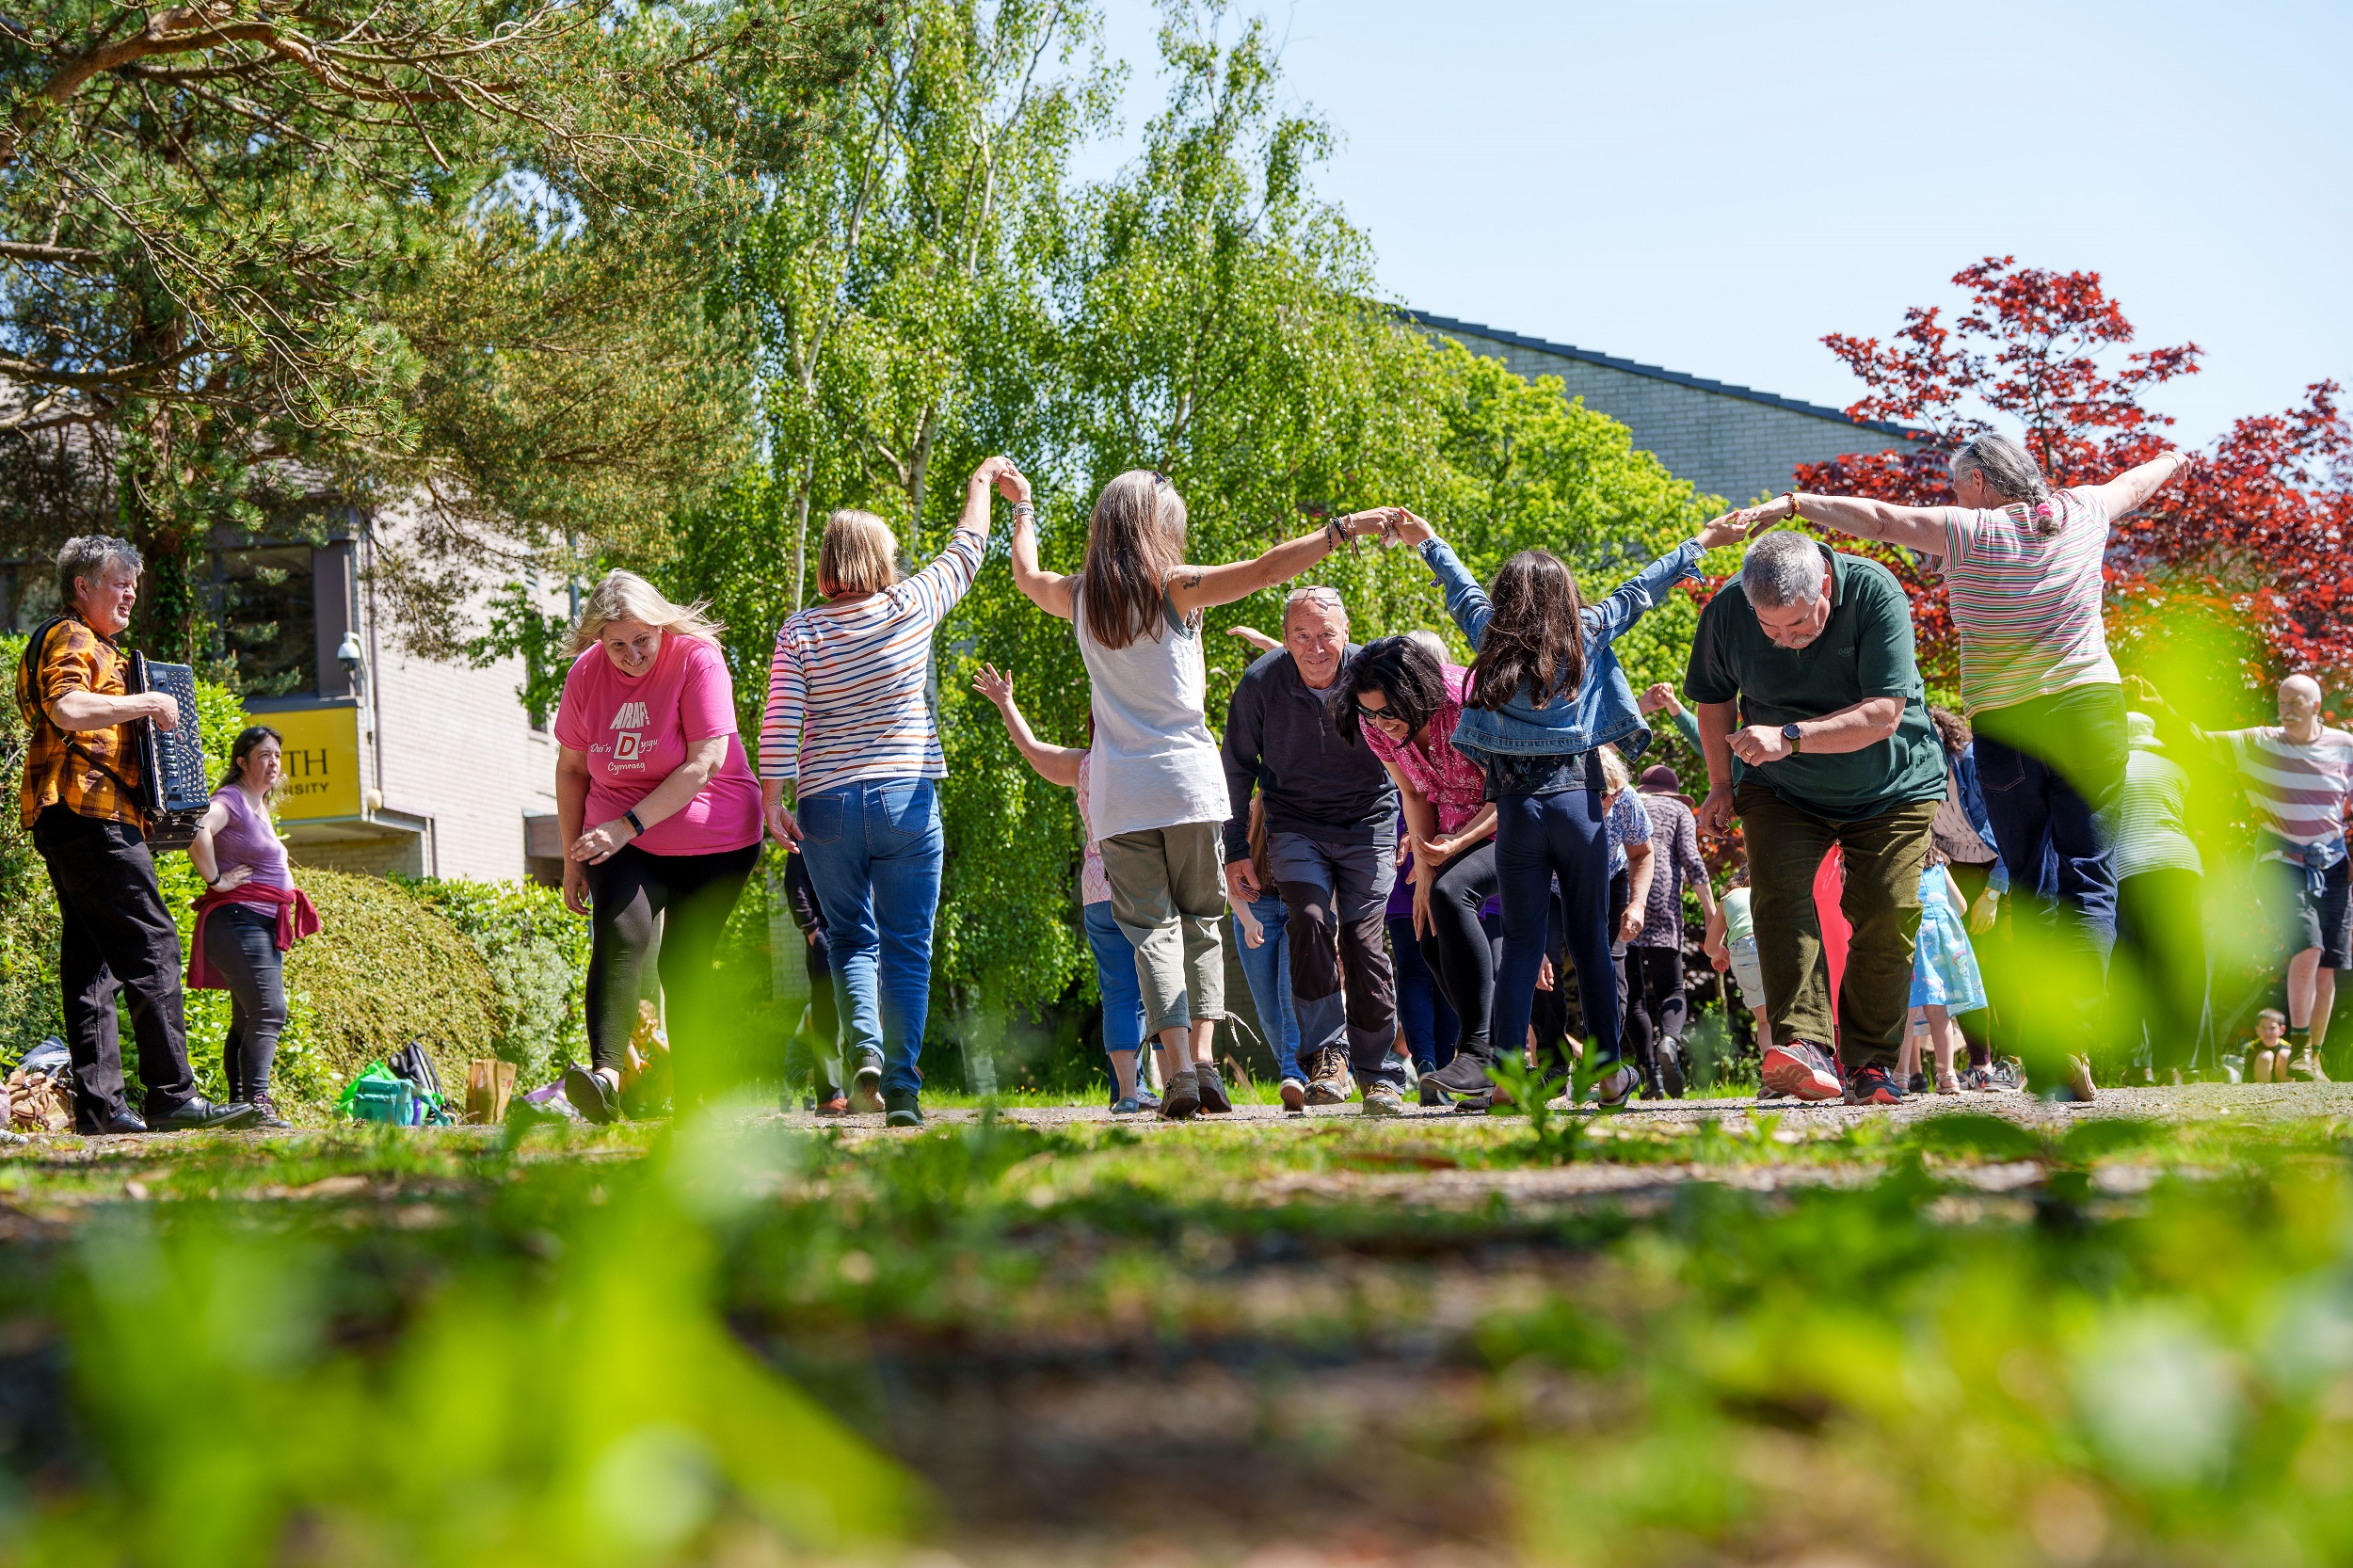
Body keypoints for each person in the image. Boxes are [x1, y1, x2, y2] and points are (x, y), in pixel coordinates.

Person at [1736, 439, 2193, 1096]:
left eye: (1957, 485)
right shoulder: (2086, 509)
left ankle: (2045, 1046)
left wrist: (1796, 504)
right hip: (2091, 709)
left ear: (1977, 481)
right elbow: (2134, 483)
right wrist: (2173, 462)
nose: (1952, 496)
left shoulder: (1967, 529)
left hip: (2008, 724)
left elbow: (1882, 519)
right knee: (2091, 872)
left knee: (2032, 877)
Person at [1008, 466, 1390, 1119]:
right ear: (1155, 529)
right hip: (1187, 788)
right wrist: (1340, 530)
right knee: (1202, 927)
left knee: (1151, 932)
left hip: (1120, 797)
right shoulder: (1176, 589)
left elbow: (1025, 575)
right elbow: (1269, 570)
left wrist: (1025, 508)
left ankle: (1180, 1070)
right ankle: (1206, 1065)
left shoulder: (1077, 596)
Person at [761, 458, 1020, 1128]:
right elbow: (968, 548)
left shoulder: (800, 632)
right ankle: (902, 1088)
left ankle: (867, 1056)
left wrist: (770, 798)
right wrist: (981, 483)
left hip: (826, 808)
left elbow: (781, 719)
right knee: (908, 943)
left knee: (850, 940)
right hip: (905, 798)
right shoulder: (912, 604)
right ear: (882, 558)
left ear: (826, 562)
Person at [1684, 529, 1951, 1107]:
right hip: (1783, 788)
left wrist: (1789, 736)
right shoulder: (1728, 611)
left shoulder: (1876, 593)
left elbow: (1883, 713)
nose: (1785, 640)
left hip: (1891, 782)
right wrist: (1722, 785)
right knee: (1780, 899)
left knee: (1888, 910)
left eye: (1799, 625)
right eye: (1770, 629)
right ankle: (1805, 1047)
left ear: (1825, 586)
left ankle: (1870, 1064)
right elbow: (1714, 702)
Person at [14, 536, 255, 1133]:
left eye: (134, 584)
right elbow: (67, 708)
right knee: (152, 940)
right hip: (90, 814)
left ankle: (101, 1109)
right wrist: (147, 702)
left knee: (91, 962)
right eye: (118, 582)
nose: (130, 593)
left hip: (65, 816)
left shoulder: (101, 648)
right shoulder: (73, 636)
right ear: (82, 588)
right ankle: (172, 1095)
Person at [555, 570, 763, 1124]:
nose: (631, 655)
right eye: (616, 644)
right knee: (623, 933)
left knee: (685, 960)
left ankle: (696, 1097)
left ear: (661, 624)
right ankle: (604, 1079)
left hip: (711, 834)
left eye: (642, 639)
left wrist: (627, 825)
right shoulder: (585, 676)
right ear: (597, 641)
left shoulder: (698, 658)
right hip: (618, 830)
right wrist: (570, 855)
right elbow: (573, 768)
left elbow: (706, 760)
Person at [1221, 585, 1404, 1115]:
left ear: (1346, 633)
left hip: (1368, 821)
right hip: (1295, 823)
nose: (1315, 647)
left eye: (1326, 634)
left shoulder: (1373, 677)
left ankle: (1381, 1074)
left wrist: (1421, 821)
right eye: (1302, 635)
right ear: (1284, 639)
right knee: (1307, 919)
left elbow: (1411, 746)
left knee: (1366, 945)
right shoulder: (1261, 683)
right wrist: (1235, 850)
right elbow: (1236, 769)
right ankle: (1327, 1058)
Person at [2137, 672, 2350, 1081]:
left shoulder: (2344, 746)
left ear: (2316, 708)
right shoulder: (2259, 743)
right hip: (2282, 859)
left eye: (2295, 704)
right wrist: (2161, 710)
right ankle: (2301, 1046)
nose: (2285, 710)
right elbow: (2201, 739)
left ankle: (2312, 1058)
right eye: (2282, 702)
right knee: (2309, 949)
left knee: (2330, 966)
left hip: (2334, 864)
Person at [970, 662, 1160, 1114]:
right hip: (1144, 888)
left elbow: (1033, 751)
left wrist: (1006, 703)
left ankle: (1128, 1095)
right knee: (1157, 985)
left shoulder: (1084, 764)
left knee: (1118, 992)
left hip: (1098, 889)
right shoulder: (1152, 761)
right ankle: (1170, 1084)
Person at [1336, 632, 1499, 1104]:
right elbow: (1413, 793)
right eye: (1369, 713)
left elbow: (1509, 788)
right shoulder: (1373, 721)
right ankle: (1486, 1066)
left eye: (1388, 711)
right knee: (1427, 935)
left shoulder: (1470, 699)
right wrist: (1426, 868)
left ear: (1417, 693)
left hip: (1514, 819)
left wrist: (1458, 843)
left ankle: (1479, 1053)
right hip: (1448, 835)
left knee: (1451, 898)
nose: (1379, 724)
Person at [187, 725, 320, 1128]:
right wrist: (215, 880)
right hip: (238, 920)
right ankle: (257, 1106)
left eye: (277, 755)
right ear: (242, 762)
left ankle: (238, 1110)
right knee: (269, 1009)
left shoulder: (257, 806)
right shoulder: (231, 799)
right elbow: (197, 828)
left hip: (257, 924)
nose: (274, 762)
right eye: (264, 755)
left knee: (248, 1017)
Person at [2111, 708, 2207, 1083]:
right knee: (2176, 966)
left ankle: (2138, 1065)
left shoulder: (2111, 769)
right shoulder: (2176, 771)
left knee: (2132, 966)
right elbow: (2192, 828)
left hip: (2131, 867)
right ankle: (2174, 1064)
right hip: (2180, 867)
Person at [1627, 761, 1715, 1099]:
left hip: (1627, 897)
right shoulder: (1679, 809)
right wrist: (1710, 914)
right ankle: (1669, 1040)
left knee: (1633, 998)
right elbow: (1692, 861)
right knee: (1672, 990)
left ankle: (1652, 1079)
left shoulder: (1628, 802)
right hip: (1663, 900)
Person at [1231, 799, 1305, 1102]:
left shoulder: (1307, 806)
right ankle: (1293, 1072)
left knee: (1291, 1000)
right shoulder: (1246, 814)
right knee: (1268, 1013)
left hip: (1296, 905)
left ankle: (1293, 1075)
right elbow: (1229, 877)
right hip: (1254, 907)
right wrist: (1247, 920)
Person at [1905, 855, 1988, 1096]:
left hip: (1914, 936)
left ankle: (1902, 1076)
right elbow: (1961, 906)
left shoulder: (1902, 862)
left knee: (1907, 1009)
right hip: (1944, 942)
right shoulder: (1939, 865)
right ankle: (1947, 1076)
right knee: (1939, 1010)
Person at [781, 849, 845, 1114]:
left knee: (865, 1011)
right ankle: (830, 1095)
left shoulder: (864, 814)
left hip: (863, 932)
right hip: (825, 935)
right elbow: (794, 882)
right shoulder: (806, 825)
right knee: (828, 1016)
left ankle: (865, 1090)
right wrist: (811, 928)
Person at [1702, 867, 1769, 1059]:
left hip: (1742, 951)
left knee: (1764, 1022)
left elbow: (1710, 947)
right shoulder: (1767, 889)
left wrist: (1721, 954)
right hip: (1769, 943)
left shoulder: (1728, 898)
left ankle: (1774, 1080)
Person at [2247, 1007, 2289, 1083]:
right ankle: (2263, 1092)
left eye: (2272, 1028)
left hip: (2282, 1085)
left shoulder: (2288, 1047)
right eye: (2263, 1028)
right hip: (2257, 1086)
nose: (2267, 1032)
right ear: (2257, 1030)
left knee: (2285, 1055)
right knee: (2266, 1056)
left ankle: (2288, 1091)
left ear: (2281, 1030)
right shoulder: (2253, 1048)